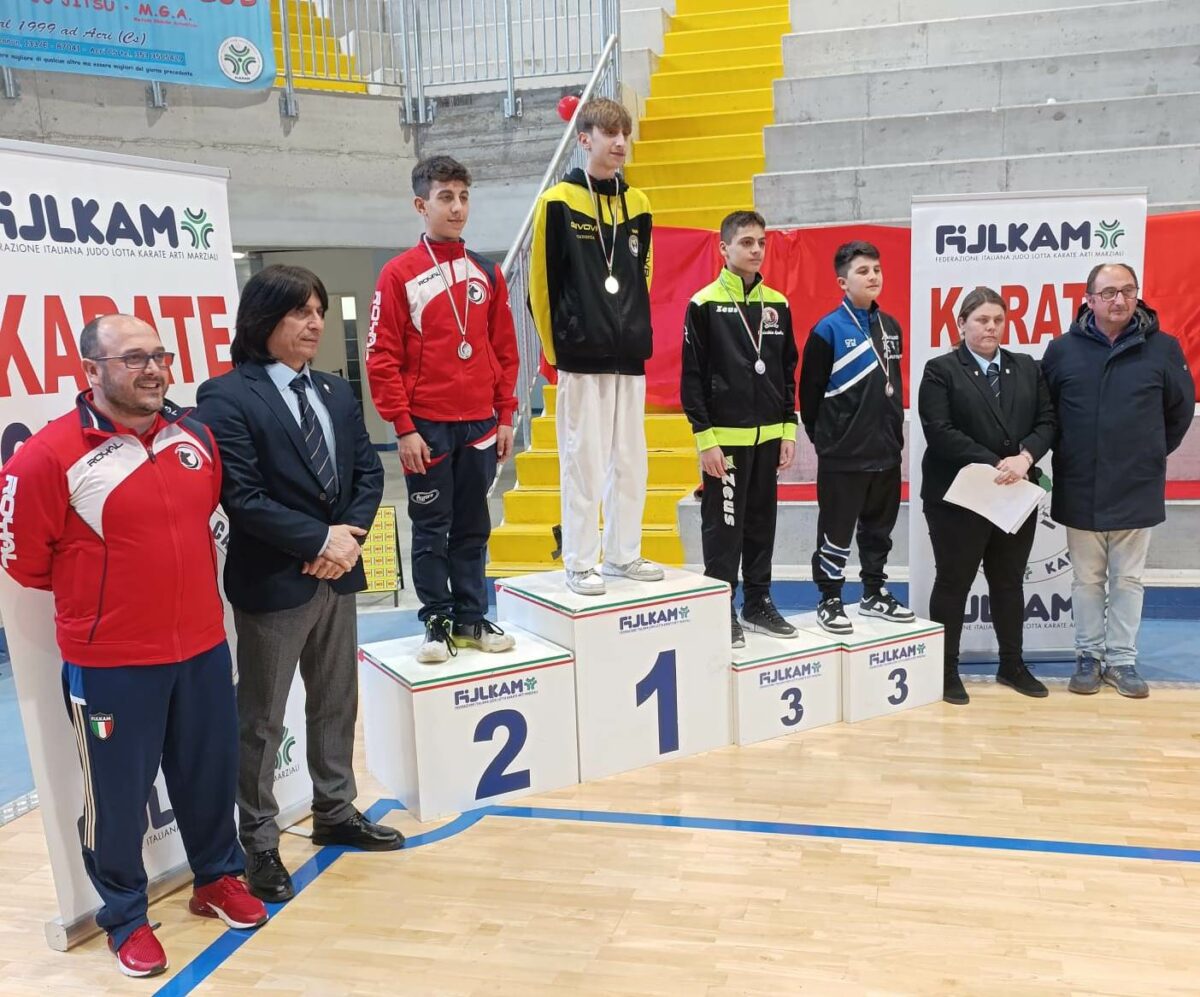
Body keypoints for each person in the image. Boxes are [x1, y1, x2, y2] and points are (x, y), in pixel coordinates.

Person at [0, 314, 267, 977]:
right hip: (112, 665)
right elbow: (26, 560)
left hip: (202, 648)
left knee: (208, 776)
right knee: (118, 800)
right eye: (133, 358)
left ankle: (217, 878)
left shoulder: (194, 436)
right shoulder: (47, 455)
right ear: (91, 370)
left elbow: (206, 520)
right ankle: (124, 915)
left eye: (159, 356)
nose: (153, 369)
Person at [196, 265, 398, 908]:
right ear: (263, 319)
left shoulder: (335, 390)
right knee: (261, 719)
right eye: (300, 312)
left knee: (336, 701)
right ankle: (258, 843)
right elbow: (242, 496)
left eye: (319, 310)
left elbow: (368, 473)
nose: (315, 323)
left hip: (338, 574)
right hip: (275, 581)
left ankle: (335, 810)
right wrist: (317, 542)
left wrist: (347, 541)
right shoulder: (226, 395)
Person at [366, 155, 520, 663]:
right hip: (426, 427)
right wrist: (403, 426)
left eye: (463, 197)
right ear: (421, 205)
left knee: (474, 525)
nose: (457, 208)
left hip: (480, 424)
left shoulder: (488, 272)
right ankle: (436, 620)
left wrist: (505, 415)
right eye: (446, 197)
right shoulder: (398, 274)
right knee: (432, 526)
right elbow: (381, 356)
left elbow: (505, 351)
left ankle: (472, 618)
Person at [529, 96, 664, 596]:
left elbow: (643, 275)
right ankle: (581, 561)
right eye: (610, 134)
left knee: (631, 462)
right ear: (585, 139)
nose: (620, 142)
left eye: (624, 134)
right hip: (580, 356)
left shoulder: (640, 204)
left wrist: (633, 329)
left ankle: (623, 554)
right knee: (583, 461)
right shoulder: (557, 202)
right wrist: (557, 350)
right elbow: (541, 284)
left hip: (629, 355)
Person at [1041, 263, 1193, 699]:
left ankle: (1122, 660)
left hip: (1136, 485)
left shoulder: (1163, 349)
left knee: (1128, 580)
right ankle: (1088, 657)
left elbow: (1179, 412)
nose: (1119, 300)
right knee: (1086, 580)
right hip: (1080, 484)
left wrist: (1148, 453)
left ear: (1137, 295)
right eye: (1108, 293)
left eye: (1127, 291)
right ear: (1089, 299)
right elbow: (1047, 414)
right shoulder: (1061, 351)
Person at [918, 287, 1057, 705]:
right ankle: (945, 670)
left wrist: (1025, 457)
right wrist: (999, 463)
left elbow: (1048, 421)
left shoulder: (1026, 367)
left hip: (1014, 494)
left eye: (998, 320)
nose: (991, 327)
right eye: (982, 320)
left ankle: (1011, 664)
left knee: (1008, 581)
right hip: (958, 498)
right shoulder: (941, 370)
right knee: (954, 581)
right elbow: (939, 431)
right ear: (962, 323)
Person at [681, 210, 799, 648]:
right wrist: (705, 439)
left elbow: (786, 371)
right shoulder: (704, 303)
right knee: (724, 529)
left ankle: (757, 603)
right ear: (724, 248)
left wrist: (788, 429)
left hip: (768, 438)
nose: (756, 250)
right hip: (724, 442)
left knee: (761, 525)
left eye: (761, 242)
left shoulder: (778, 304)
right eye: (746, 242)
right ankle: (721, 608)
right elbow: (692, 377)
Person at [800, 240, 914, 634]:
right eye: (863, 271)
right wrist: (829, 441)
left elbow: (891, 386)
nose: (873, 276)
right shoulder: (827, 330)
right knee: (835, 531)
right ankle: (830, 598)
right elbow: (810, 395)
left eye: (877, 269)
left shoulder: (891, 327)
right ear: (842, 282)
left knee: (878, 531)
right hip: (843, 456)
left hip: (886, 452)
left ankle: (874, 592)